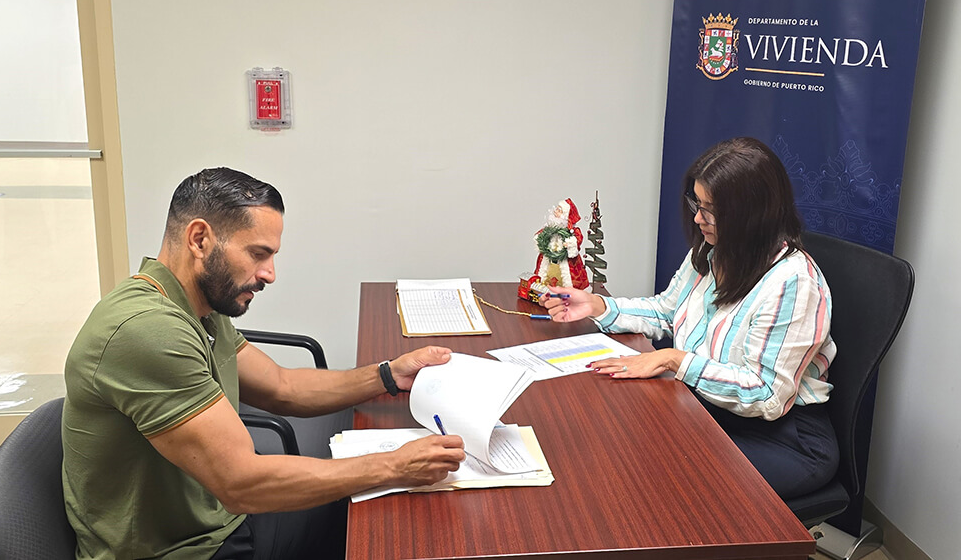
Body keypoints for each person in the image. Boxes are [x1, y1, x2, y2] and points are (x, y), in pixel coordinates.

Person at [62, 167, 466, 560]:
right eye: (258, 254)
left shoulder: (195, 303)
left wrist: (388, 374)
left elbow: (281, 386)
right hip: (189, 548)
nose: (269, 274)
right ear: (200, 239)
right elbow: (242, 483)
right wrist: (394, 467)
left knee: (377, 524)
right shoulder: (147, 331)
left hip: (219, 518)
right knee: (393, 534)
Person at [541, 137, 839, 499]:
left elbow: (766, 395)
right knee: (612, 443)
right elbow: (668, 311)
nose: (698, 218)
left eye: (710, 210)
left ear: (751, 213)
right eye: (696, 204)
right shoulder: (713, 251)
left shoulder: (793, 283)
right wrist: (598, 307)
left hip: (783, 439)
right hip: (708, 408)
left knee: (658, 480)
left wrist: (675, 358)